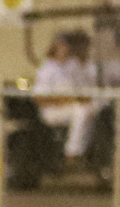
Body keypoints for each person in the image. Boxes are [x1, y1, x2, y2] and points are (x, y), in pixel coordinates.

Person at [36, 29, 100, 158]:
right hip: (52, 111)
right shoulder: (47, 68)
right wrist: (67, 100)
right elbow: (40, 98)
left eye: (66, 45)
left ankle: (88, 152)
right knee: (80, 111)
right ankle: (72, 154)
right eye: (61, 45)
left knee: (92, 110)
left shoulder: (72, 66)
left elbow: (82, 87)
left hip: (70, 107)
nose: (64, 49)